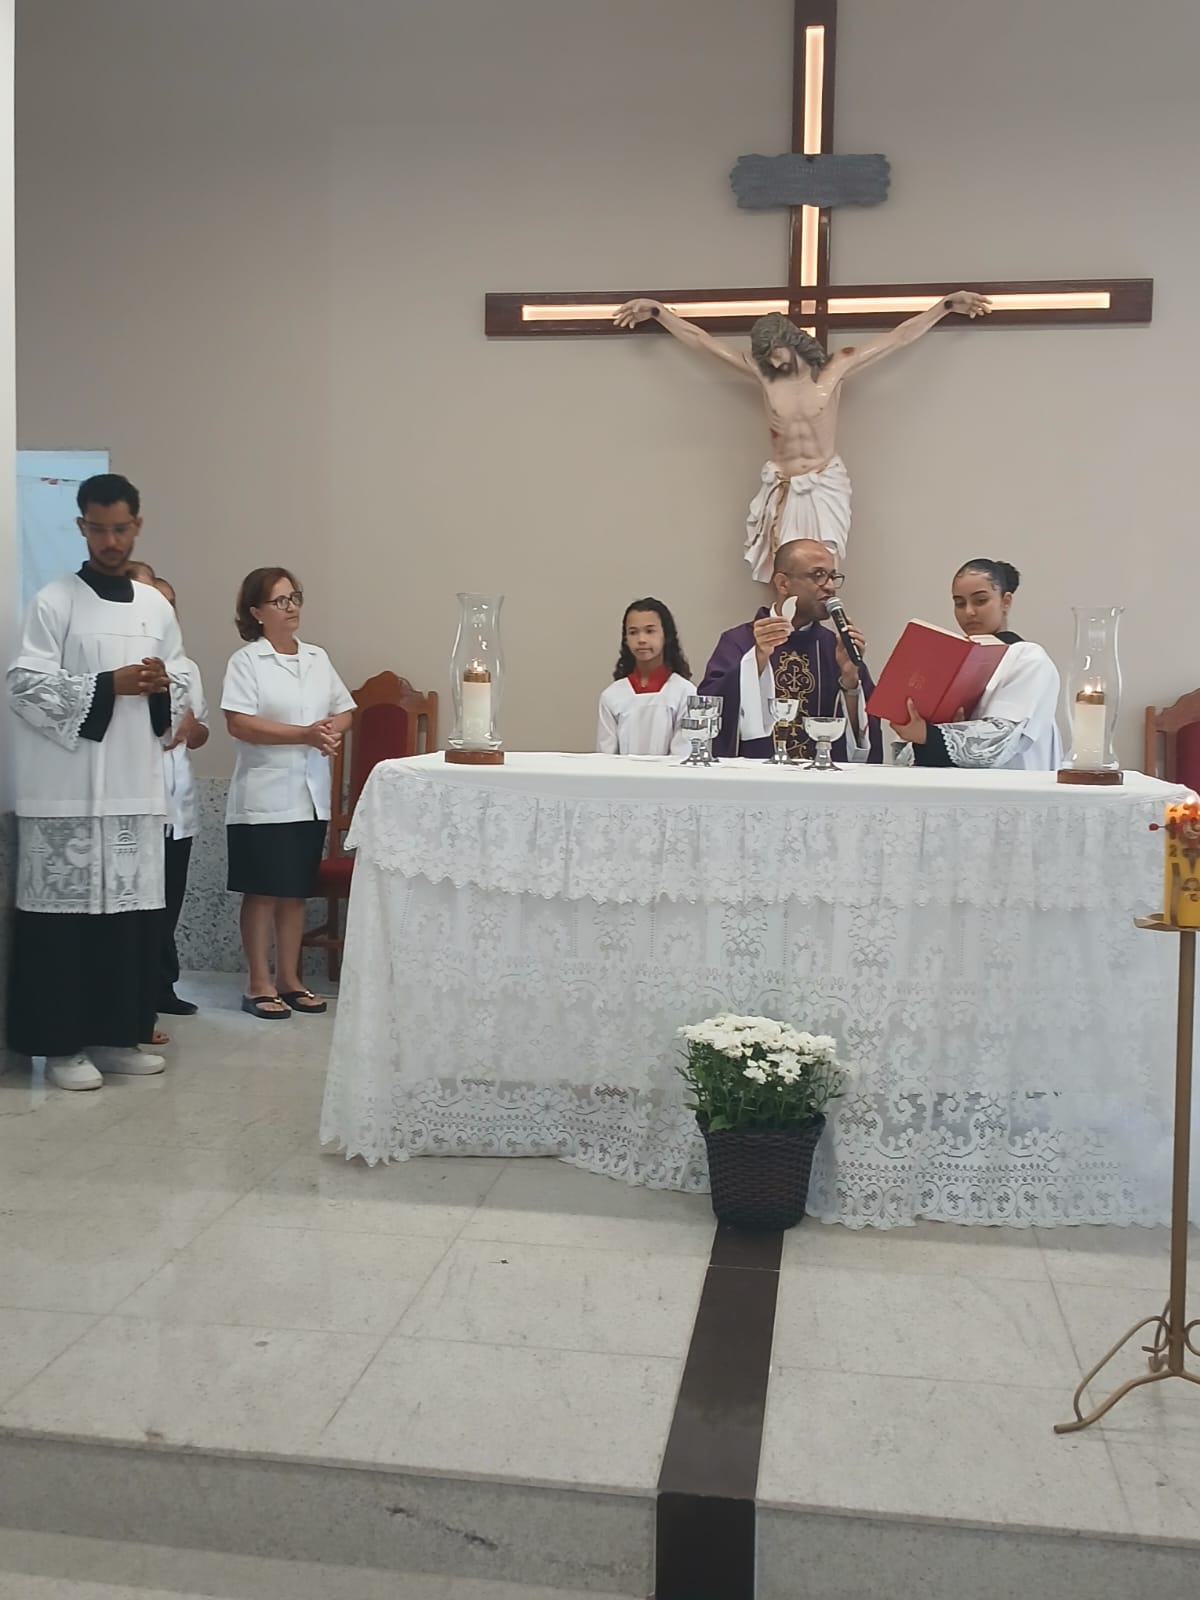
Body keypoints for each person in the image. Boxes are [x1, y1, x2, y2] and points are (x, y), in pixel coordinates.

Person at [5, 472, 186, 1090]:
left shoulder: (156, 606)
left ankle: (116, 1037)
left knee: (127, 925)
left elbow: (183, 677)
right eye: (99, 529)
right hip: (68, 795)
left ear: (138, 526)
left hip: (133, 788)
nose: (111, 541)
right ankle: (61, 1049)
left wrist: (163, 684)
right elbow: (23, 685)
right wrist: (110, 684)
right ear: (82, 527)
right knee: (66, 930)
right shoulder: (53, 601)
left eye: (121, 528)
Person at [612, 292, 992, 582]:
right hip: (784, 484)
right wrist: (659, 312)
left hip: (824, 484)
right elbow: (702, 342)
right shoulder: (764, 375)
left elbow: (898, 338)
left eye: (776, 352)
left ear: (791, 340)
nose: (773, 362)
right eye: (766, 356)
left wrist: (945, 306)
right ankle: (784, 641)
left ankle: (827, 639)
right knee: (786, 572)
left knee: (823, 570)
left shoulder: (834, 369)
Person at [221, 567, 355, 1020]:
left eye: (294, 597)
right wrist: (304, 735)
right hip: (263, 796)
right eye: (279, 601)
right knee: (263, 892)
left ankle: (289, 979)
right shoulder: (247, 661)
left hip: (309, 794)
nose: (291, 606)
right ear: (256, 612)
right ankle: (258, 982)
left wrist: (329, 730)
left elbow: (345, 709)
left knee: (295, 892)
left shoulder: (317, 657)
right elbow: (239, 723)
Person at [698, 538, 882, 762]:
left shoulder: (835, 648)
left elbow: (866, 732)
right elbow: (709, 711)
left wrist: (850, 681)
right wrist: (756, 661)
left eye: (832, 576)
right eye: (818, 575)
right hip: (757, 778)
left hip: (820, 778)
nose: (830, 586)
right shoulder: (740, 642)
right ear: (783, 583)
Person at [890, 559, 1063, 770]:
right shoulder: (946, 662)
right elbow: (910, 750)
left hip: (1014, 783)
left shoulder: (1028, 658)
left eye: (980, 601)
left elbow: (1005, 737)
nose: (969, 612)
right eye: (959, 603)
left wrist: (929, 735)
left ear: (1006, 601)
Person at [131, 570, 209, 1015]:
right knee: (140, 904)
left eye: (171, 603)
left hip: (178, 803)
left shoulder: (186, 667)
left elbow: (200, 731)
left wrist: (191, 731)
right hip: (140, 797)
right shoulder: (128, 665)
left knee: (169, 899)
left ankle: (162, 986)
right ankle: (137, 992)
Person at [596, 598, 695, 756]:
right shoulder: (612, 695)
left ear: (666, 635)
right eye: (633, 632)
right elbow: (605, 756)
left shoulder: (684, 693)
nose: (641, 640)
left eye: (650, 631)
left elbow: (682, 754)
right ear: (625, 639)